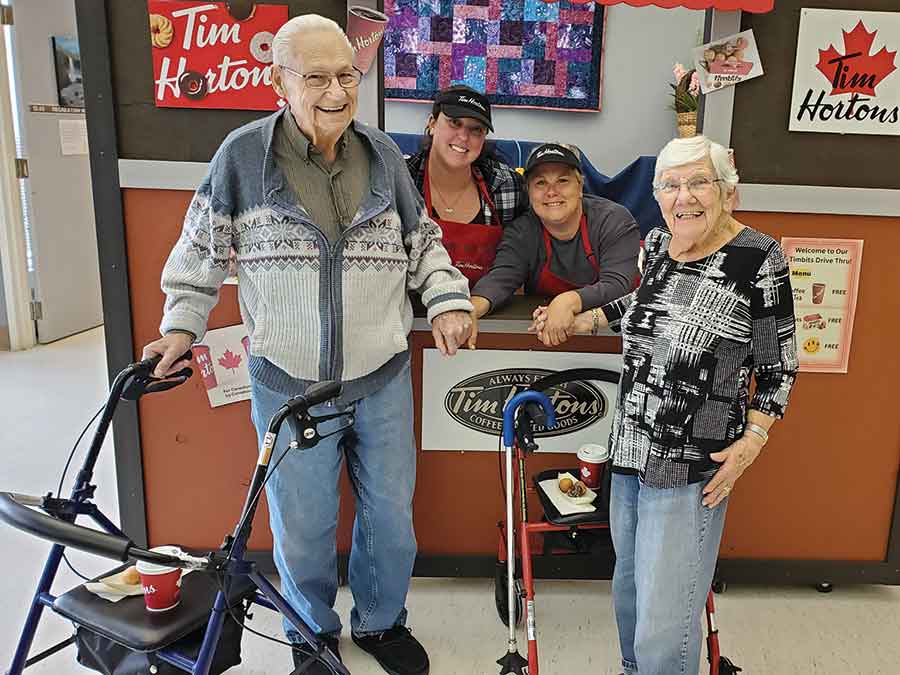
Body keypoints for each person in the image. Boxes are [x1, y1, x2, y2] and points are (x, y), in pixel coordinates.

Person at [141, 15, 474, 675]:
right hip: (287, 382)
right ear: (279, 82)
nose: (335, 90)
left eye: (346, 75)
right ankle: (310, 633)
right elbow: (200, 251)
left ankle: (381, 624)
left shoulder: (381, 153)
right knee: (303, 527)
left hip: (379, 375)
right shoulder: (242, 156)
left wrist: (447, 299)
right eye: (316, 76)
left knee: (389, 520)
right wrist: (181, 323)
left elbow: (424, 244)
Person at [533, 135, 798, 675]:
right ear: (657, 196)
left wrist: (751, 443)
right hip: (630, 446)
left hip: (692, 464)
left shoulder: (758, 258)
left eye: (700, 181)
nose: (686, 196)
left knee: (665, 618)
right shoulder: (658, 244)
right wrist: (589, 319)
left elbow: (778, 365)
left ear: (728, 191)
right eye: (672, 185)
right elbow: (644, 303)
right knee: (628, 593)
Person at [469, 142, 640, 345]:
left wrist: (567, 302)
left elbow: (618, 285)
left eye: (563, 181)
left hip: (616, 334)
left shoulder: (613, 220)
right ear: (529, 192)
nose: (551, 192)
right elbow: (500, 279)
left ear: (580, 187)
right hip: (546, 335)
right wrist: (469, 311)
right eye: (540, 183)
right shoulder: (521, 231)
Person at [406, 85, 526, 286]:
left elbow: (524, 257)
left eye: (476, 129)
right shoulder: (401, 180)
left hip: (487, 309)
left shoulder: (506, 185)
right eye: (454, 122)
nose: (463, 137)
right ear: (432, 124)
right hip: (416, 311)